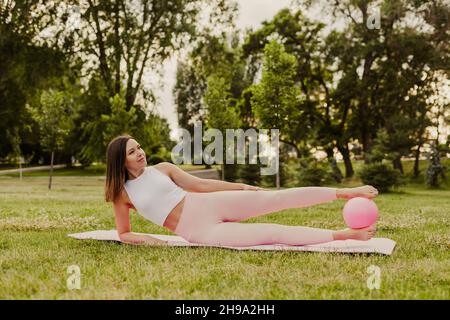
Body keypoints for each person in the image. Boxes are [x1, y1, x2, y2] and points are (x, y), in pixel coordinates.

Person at [105, 135, 378, 247]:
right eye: (133, 151)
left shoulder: (162, 169)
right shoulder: (123, 195)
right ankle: (345, 235)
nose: (140, 153)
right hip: (199, 232)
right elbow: (124, 233)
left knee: (277, 197)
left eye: (139, 147)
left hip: (209, 204)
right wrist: (156, 241)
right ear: (121, 160)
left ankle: (346, 193)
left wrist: (241, 186)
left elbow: (201, 185)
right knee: (272, 233)